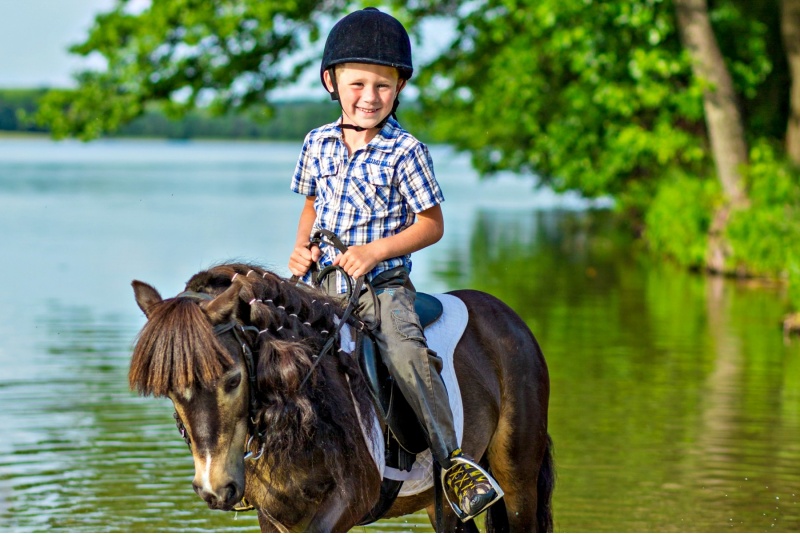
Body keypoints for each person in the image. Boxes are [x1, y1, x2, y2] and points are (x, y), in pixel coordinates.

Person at [287, 7, 502, 521]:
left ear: (399, 87)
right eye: (357, 83)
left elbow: (431, 224)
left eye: (383, 85)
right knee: (272, 348)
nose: (368, 97)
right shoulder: (317, 142)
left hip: (383, 287)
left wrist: (376, 251)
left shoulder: (405, 151)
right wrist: (300, 249)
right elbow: (312, 206)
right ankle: (270, 458)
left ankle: (453, 464)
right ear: (330, 82)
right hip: (320, 285)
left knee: (406, 355)